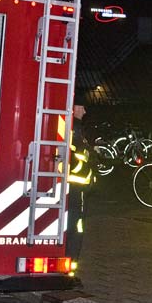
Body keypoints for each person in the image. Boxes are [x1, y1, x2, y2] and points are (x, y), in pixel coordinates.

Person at [65, 99, 94, 266]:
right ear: (74, 108)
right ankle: (71, 266)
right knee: (75, 228)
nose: (84, 112)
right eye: (82, 107)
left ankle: (72, 264)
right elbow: (70, 159)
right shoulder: (73, 129)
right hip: (75, 188)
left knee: (76, 227)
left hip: (77, 187)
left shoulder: (75, 128)